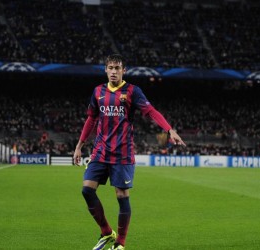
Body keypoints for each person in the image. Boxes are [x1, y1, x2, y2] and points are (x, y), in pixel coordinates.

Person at [73, 54, 186, 250]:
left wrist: (169, 129)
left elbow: (151, 112)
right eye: (110, 67)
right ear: (105, 70)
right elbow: (91, 119)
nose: (114, 71)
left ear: (124, 70)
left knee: (122, 196)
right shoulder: (98, 91)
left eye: (117, 68)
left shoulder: (133, 91)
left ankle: (120, 243)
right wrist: (79, 146)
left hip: (123, 153)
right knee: (86, 190)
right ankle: (107, 232)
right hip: (100, 151)